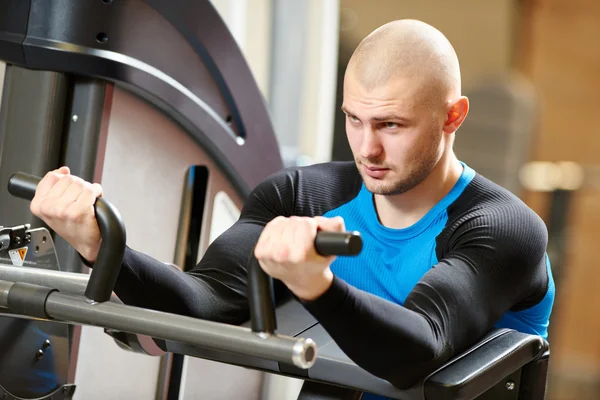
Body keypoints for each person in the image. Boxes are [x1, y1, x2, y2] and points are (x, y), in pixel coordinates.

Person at [29, 19, 554, 399]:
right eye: (354, 119)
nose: (367, 148)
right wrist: (101, 243)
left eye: (391, 125)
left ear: (452, 117)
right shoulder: (302, 196)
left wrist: (315, 286)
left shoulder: (501, 228)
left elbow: (416, 352)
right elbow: (208, 302)